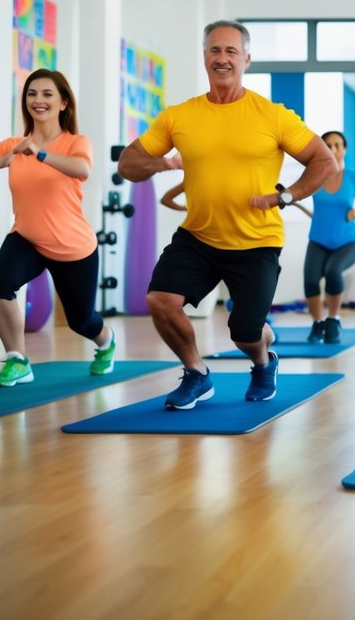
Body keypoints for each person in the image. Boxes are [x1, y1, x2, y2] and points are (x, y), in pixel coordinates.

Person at [118, 20, 336, 410]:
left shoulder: (273, 116)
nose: (222, 58)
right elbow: (129, 163)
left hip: (256, 241)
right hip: (198, 237)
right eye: (214, 50)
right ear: (204, 58)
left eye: (231, 51)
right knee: (160, 300)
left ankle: (262, 361)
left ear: (246, 59)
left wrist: (287, 195)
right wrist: (163, 163)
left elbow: (324, 163)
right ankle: (197, 373)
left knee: (244, 333)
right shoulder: (179, 116)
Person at [0, 69, 116, 386]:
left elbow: (83, 169)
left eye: (47, 94)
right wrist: (1, 158)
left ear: (64, 102)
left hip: (72, 247)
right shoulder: (16, 145)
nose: (38, 100)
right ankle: (17, 359)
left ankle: (106, 342)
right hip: (27, 237)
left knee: (82, 321)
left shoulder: (76, 142)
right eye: (32, 93)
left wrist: (38, 153)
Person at [292, 130, 355, 343]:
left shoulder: (353, 176)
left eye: (337, 145)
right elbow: (297, 193)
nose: (333, 149)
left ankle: (333, 319)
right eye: (328, 145)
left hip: (347, 242)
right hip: (317, 240)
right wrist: (291, 199)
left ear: (344, 150)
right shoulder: (314, 175)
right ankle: (317, 323)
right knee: (310, 280)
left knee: (333, 271)